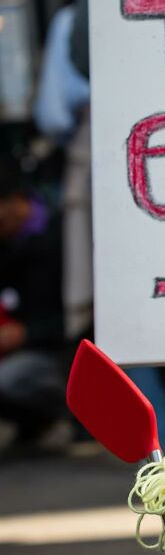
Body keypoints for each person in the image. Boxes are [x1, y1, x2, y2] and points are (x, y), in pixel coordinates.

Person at [0, 157, 68, 454]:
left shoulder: (59, 235)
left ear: (16, 201)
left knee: (10, 378)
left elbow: (73, 319)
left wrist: (26, 334)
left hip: (56, 351)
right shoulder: (8, 241)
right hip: (18, 347)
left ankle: (57, 420)